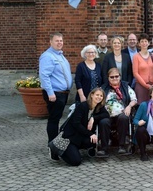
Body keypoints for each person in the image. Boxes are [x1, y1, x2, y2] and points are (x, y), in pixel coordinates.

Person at [39, 32, 73, 161]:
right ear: (50, 42)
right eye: (57, 41)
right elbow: (44, 76)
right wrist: (50, 92)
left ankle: (55, 145)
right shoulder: (47, 56)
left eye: (61, 41)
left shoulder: (60, 55)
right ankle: (53, 148)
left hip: (62, 93)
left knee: (57, 118)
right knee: (54, 120)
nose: (59, 43)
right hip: (55, 94)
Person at [59, 87, 109, 166]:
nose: (99, 97)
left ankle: (75, 150)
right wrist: (90, 134)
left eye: (101, 96)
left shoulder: (99, 107)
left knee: (93, 141)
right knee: (76, 161)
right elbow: (76, 124)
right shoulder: (83, 106)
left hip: (82, 136)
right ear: (91, 95)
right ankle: (59, 151)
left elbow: (106, 115)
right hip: (71, 137)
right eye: (97, 95)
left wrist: (93, 118)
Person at [98, 68, 137, 157]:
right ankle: (104, 148)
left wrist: (129, 106)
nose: (114, 78)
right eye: (112, 77)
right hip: (107, 114)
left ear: (120, 77)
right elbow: (97, 100)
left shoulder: (126, 86)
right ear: (108, 78)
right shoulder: (103, 88)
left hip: (122, 113)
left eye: (117, 76)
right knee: (103, 121)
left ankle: (121, 146)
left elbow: (134, 99)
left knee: (124, 118)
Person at [133, 33, 153, 104]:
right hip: (141, 86)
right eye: (142, 41)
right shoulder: (136, 56)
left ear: (148, 43)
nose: (144, 43)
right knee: (142, 106)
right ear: (139, 44)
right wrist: (145, 85)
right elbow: (135, 73)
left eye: (145, 41)